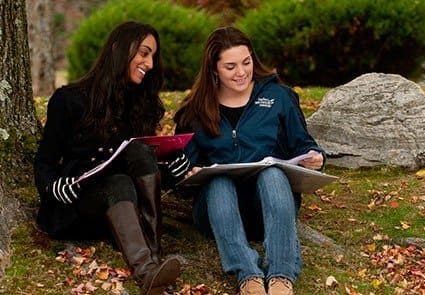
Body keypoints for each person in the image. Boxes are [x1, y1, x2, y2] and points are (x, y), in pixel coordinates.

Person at [169, 26, 325, 295]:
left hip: (270, 209)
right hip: (217, 213)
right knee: (218, 180)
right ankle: (247, 275)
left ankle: (281, 275)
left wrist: (315, 156)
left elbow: (303, 143)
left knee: (272, 173)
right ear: (213, 69)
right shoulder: (195, 111)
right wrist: (186, 172)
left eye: (246, 62)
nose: (241, 72)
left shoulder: (278, 97)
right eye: (230, 67)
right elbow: (180, 175)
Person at [34, 21, 181, 295]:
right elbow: (44, 161)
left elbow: (142, 166)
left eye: (152, 57)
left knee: (137, 152)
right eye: (144, 53)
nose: (149, 63)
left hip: (121, 214)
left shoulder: (141, 105)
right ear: (119, 49)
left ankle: (153, 257)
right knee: (119, 183)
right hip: (77, 206)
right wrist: (52, 185)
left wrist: (173, 170)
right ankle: (148, 273)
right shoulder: (69, 99)